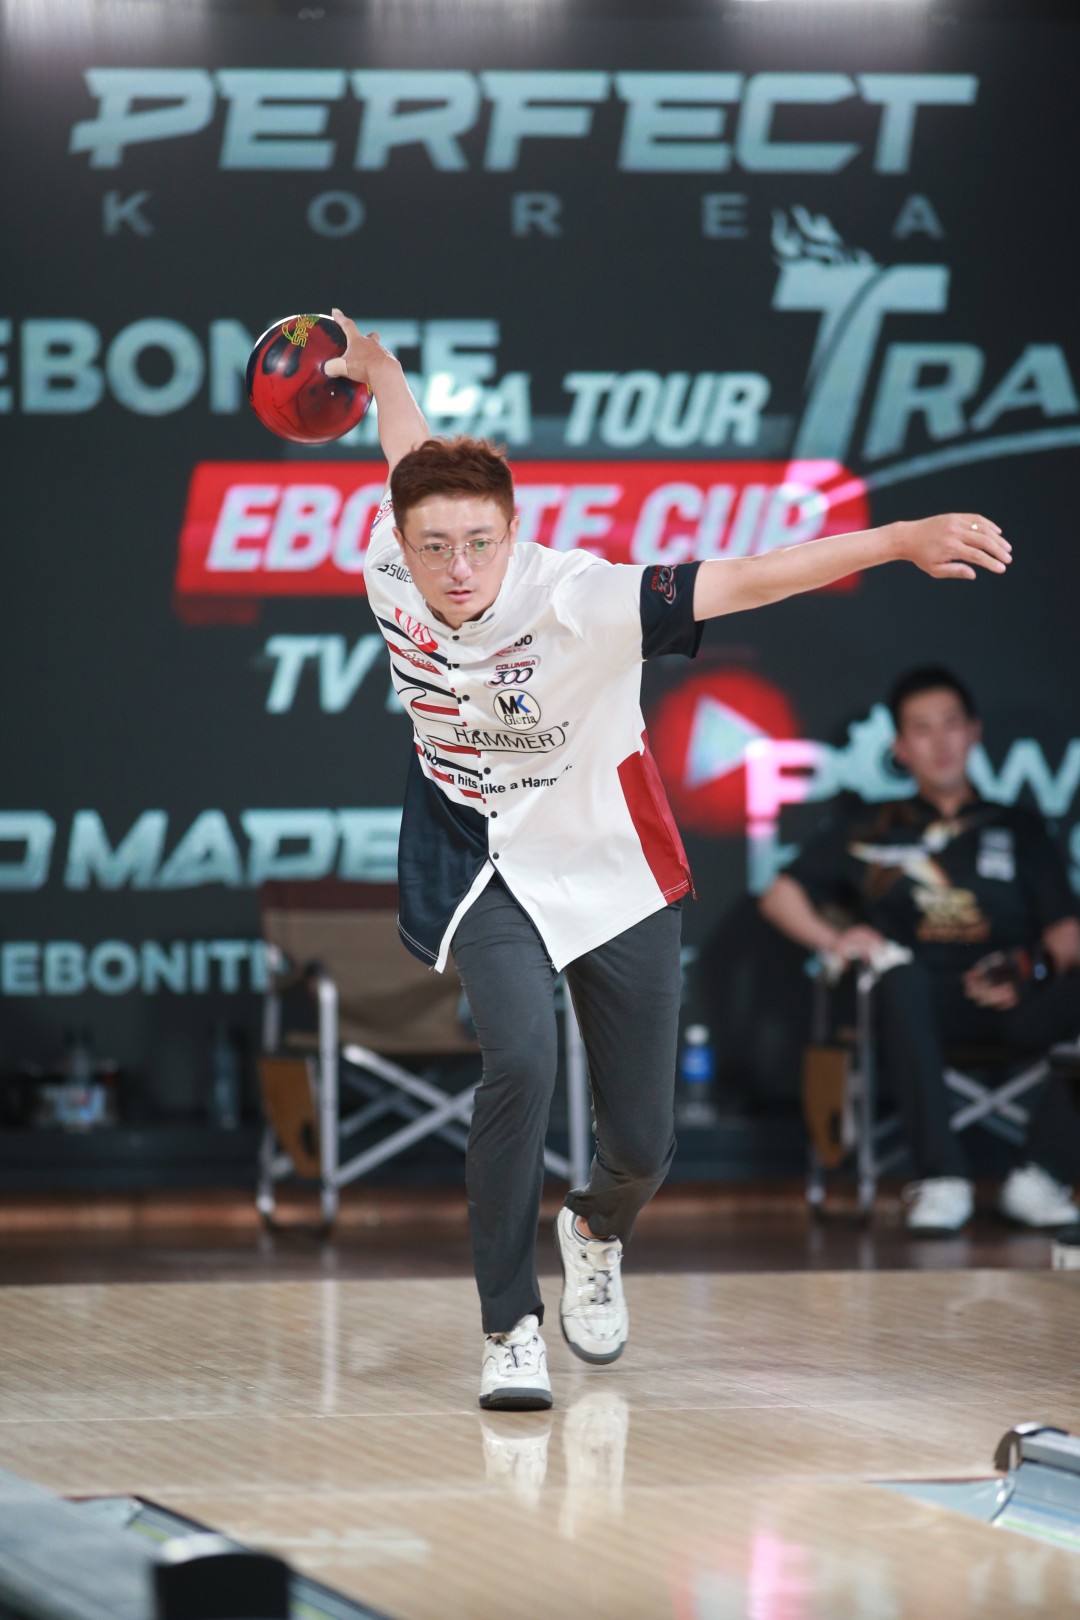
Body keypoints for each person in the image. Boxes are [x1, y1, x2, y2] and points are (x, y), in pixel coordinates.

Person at [326, 312, 1012, 1408]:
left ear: (515, 532)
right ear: (399, 544)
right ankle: (509, 1326)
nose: (458, 567)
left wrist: (894, 539)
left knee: (643, 1145)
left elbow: (753, 576)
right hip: (484, 859)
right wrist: (385, 373)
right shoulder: (391, 564)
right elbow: (410, 456)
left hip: (612, 863)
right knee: (520, 1061)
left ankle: (597, 1229)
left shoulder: (583, 599)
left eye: (481, 543)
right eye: (435, 546)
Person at [760, 667, 1080, 1234]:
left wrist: (1031, 967)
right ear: (901, 748)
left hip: (1012, 999)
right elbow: (779, 896)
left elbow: (1066, 932)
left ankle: (1042, 1176)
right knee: (898, 978)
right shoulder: (872, 827)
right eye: (922, 729)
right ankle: (941, 1179)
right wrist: (837, 939)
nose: (940, 742)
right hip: (917, 1005)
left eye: (951, 724)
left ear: (974, 732)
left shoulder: (1020, 827)